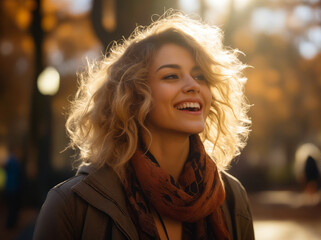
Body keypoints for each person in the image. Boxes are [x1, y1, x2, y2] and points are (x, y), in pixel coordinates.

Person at [33, 11, 254, 240]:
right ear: (134, 96)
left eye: (200, 76)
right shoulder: (71, 205)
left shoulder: (232, 198)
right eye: (171, 76)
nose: (193, 86)